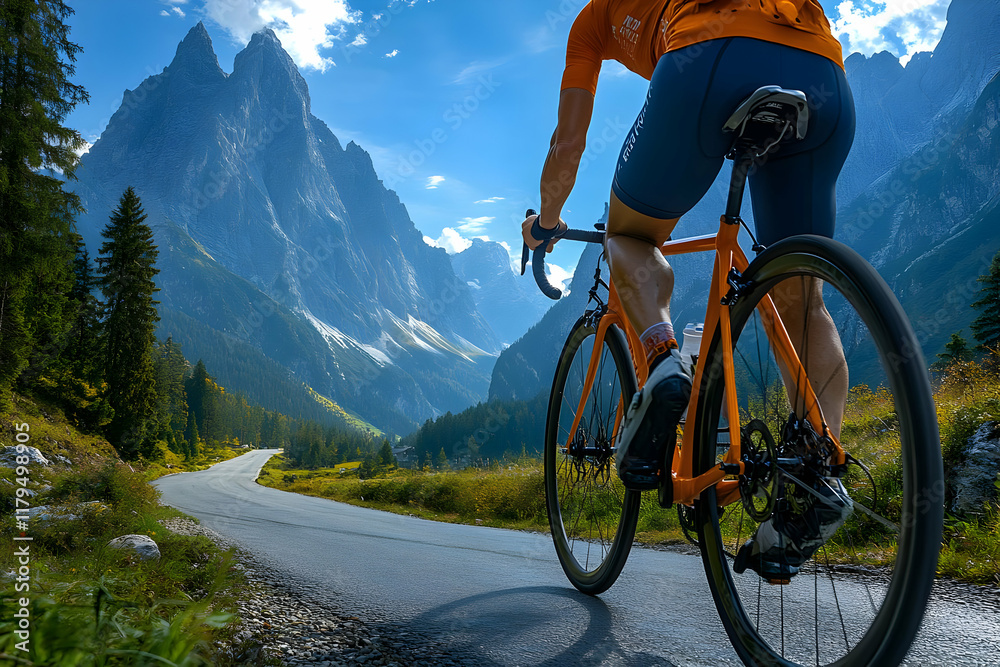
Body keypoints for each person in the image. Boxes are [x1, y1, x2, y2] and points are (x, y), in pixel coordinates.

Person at [521, 0, 856, 580]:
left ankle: (659, 359)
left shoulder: (593, 21)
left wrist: (546, 223)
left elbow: (568, 145)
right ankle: (813, 478)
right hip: (822, 71)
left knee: (627, 234)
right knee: (800, 294)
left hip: (707, 57)